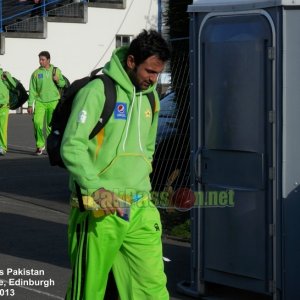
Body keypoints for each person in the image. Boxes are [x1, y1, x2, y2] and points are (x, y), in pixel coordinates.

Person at [61, 29, 171, 299]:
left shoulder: (151, 97)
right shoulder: (98, 90)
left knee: (152, 288)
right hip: (98, 206)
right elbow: (71, 146)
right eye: (149, 71)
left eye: (158, 73)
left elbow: (147, 147)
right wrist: (95, 189)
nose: (153, 79)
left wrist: (142, 179)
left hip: (140, 206)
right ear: (132, 61)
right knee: (89, 290)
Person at [27, 50, 66, 155]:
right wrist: (30, 104)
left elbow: (63, 84)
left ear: (48, 60)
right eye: (39, 59)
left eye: (43, 59)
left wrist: (58, 80)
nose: (40, 62)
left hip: (53, 101)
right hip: (40, 102)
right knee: (37, 123)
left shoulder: (56, 71)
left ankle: (50, 146)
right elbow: (32, 90)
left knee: (50, 127)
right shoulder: (36, 73)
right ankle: (40, 145)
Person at [0, 68, 17, 156]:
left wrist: (7, 79)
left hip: (3, 106)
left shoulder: (5, 74)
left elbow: (14, 87)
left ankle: (2, 147)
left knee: (2, 128)